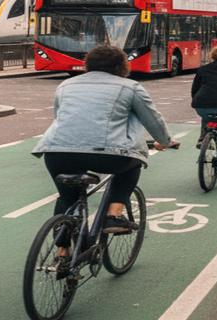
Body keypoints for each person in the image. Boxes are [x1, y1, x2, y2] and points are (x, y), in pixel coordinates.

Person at [32, 44, 176, 244]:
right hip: (108, 154)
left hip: (57, 151)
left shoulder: (66, 85)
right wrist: (165, 141)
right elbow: (152, 119)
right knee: (132, 165)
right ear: (122, 65)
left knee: (67, 199)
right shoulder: (131, 87)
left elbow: (60, 117)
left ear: (88, 64)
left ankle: (62, 253)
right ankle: (114, 215)